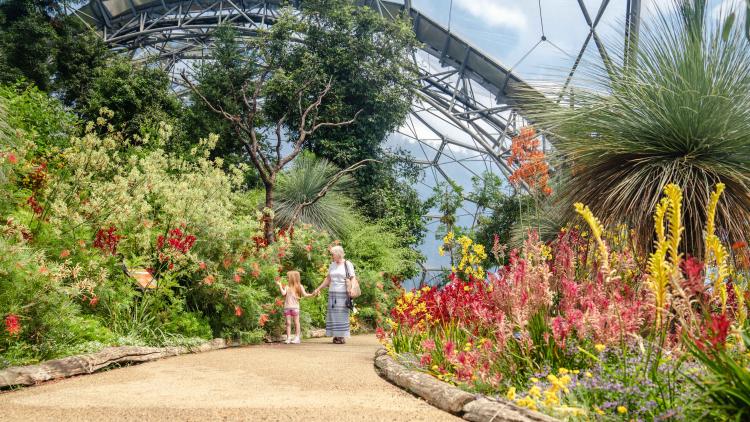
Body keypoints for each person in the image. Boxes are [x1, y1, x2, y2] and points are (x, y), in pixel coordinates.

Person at [312, 245, 356, 344]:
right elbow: (328, 279)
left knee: (341, 314)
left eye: (333, 254)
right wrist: (318, 288)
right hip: (332, 292)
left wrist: (352, 289)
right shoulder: (332, 265)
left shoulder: (347, 264)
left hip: (343, 292)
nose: (332, 256)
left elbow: (353, 277)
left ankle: (341, 336)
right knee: (333, 315)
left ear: (338, 254)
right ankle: (336, 336)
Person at [276, 270, 313, 344]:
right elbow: (283, 293)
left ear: (292, 278)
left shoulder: (299, 287)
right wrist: (280, 285)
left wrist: (313, 294)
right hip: (287, 307)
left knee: (296, 323)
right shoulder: (287, 287)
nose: (287, 279)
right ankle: (288, 337)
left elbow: (305, 294)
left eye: (288, 277)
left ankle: (297, 337)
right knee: (288, 323)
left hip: (295, 308)